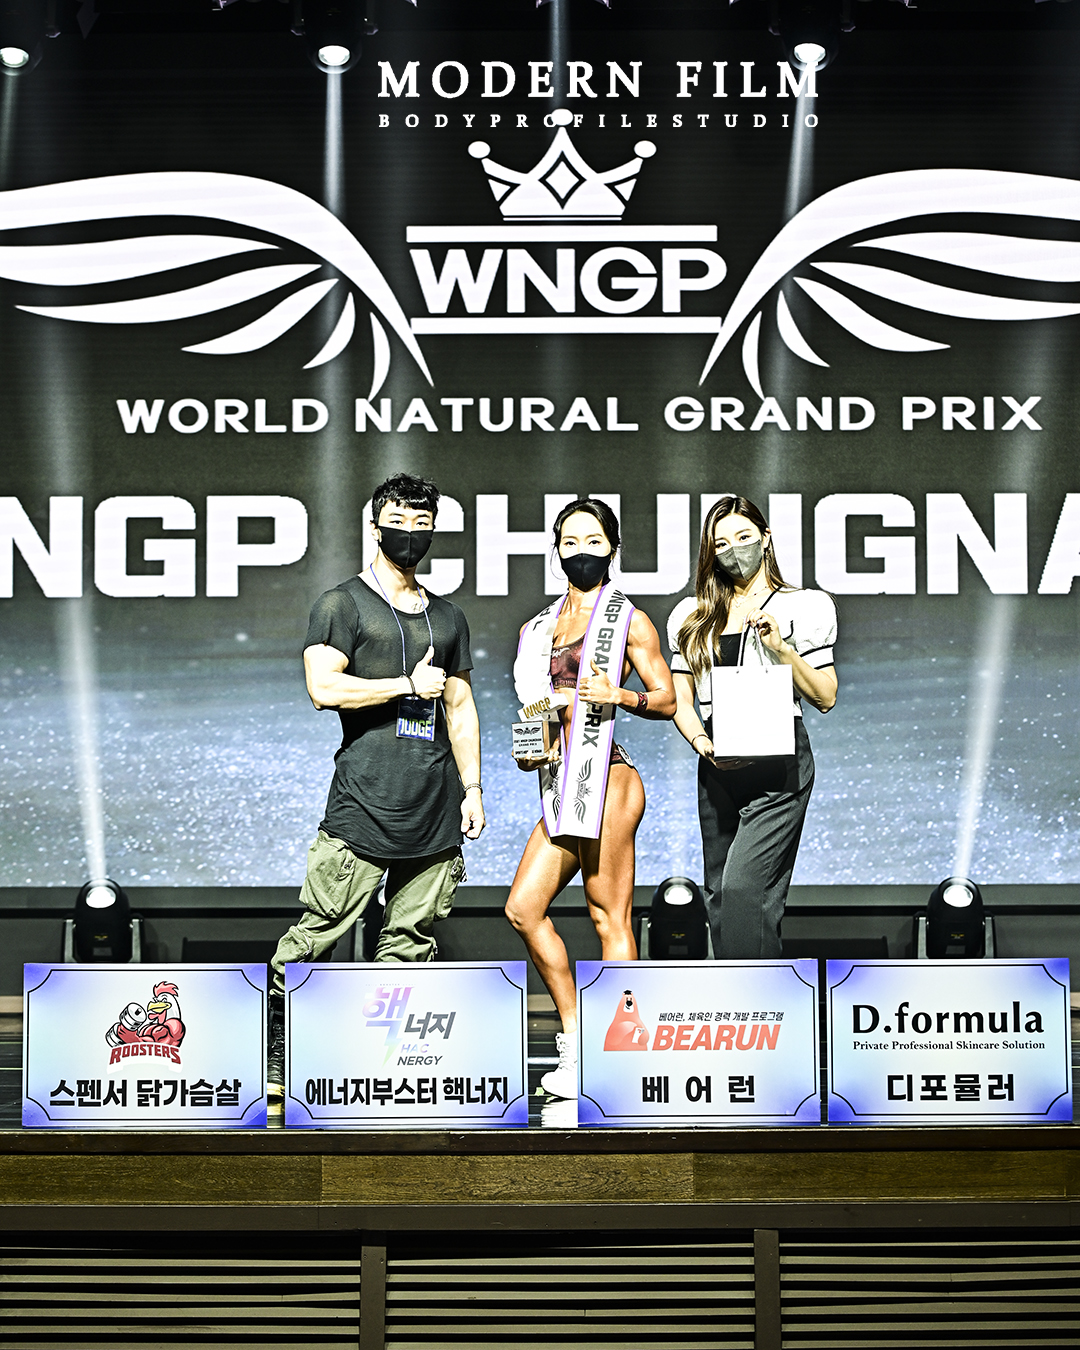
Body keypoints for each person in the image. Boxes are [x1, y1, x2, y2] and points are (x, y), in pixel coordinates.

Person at [266, 472, 485, 1093]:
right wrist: (405, 685)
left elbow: (461, 708)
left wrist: (473, 789)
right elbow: (323, 687)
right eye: (399, 522)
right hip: (363, 804)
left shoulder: (448, 616)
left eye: (422, 524)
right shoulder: (342, 604)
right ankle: (278, 1054)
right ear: (374, 526)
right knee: (316, 933)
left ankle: (384, 1067)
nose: (410, 534)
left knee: (410, 942)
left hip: (434, 809)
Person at [505, 499, 675, 1098]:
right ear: (557, 550)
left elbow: (666, 700)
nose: (581, 550)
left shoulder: (630, 620)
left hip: (610, 778)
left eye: (593, 540)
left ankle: (619, 1054)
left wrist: (619, 696)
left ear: (612, 548)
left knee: (609, 918)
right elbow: (539, 708)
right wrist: (532, 746)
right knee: (523, 909)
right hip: (559, 782)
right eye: (570, 541)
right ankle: (579, 1035)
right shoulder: (536, 629)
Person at [667, 495, 838, 960]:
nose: (734, 550)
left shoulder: (803, 605)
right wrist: (701, 741)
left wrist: (782, 650)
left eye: (743, 537)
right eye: (721, 543)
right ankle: (738, 997)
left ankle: (762, 998)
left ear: (765, 538)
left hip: (777, 756)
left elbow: (825, 696)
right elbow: (681, 700)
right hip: (717, 757)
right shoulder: (693, 615)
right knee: (720, 897)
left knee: (746, 889)